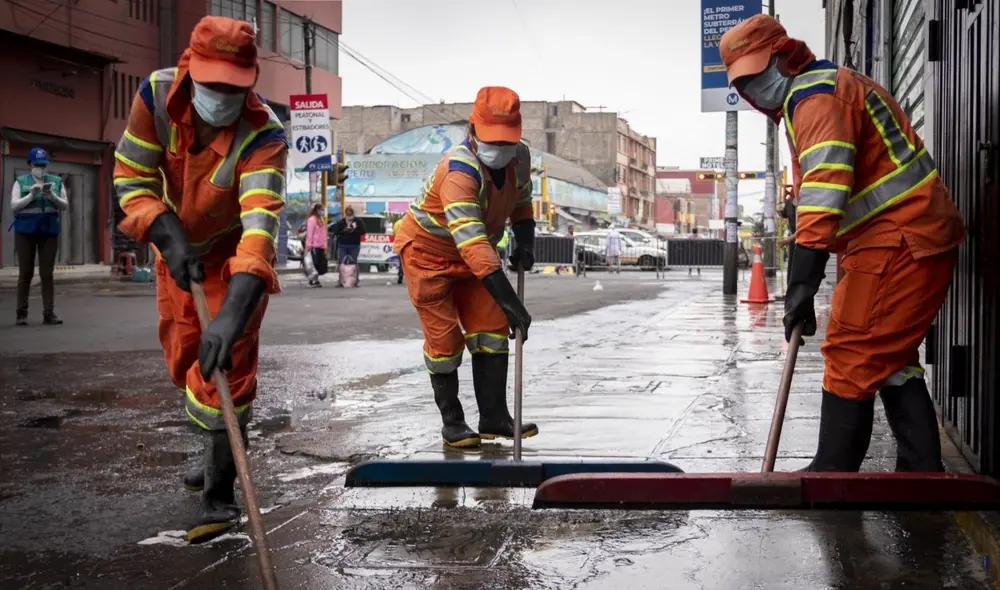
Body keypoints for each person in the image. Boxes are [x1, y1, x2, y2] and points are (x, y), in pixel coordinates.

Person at [721, 15, 965, 472]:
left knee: (853, 350)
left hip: (901, 238)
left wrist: (802, 284)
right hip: (898, 238)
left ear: (785, 55)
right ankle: (920, 475)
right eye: (744, 83)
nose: (754, 88)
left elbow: (824, 197)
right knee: (890, 357)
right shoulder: (814, 94)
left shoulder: (818, 98)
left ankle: (833, 473)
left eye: (757, 73)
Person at [113, 16, 287, 542]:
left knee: (226, 364)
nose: (223, 97)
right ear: (191, 68)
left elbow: (259, 231)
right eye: (213, 84)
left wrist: (233, 314)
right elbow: (132, 176)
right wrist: (165, 231)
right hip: (178, 251)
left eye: (236, 87)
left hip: (233, 262)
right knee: (187, 355)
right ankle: (214, 454)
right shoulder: (155, 96)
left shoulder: (265, 135)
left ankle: (220, 492)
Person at [393, 86, 538, 448]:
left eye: (506, 140)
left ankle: (494, 417)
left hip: (476, 257)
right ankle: (453, 423)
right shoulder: (458, 170)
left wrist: (526, 242)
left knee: (492, 330)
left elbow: (522, 203)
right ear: (472, 131)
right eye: (492, 139)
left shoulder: (520, 158)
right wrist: (512, 302)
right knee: (445, 342)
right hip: (428, 255)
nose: (499, 148)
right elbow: (472, 243)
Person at [11, 147, 67, 326]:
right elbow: (14, 205)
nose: (40, 169)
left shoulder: (56, 181)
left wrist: (52, 196)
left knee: (47, 274)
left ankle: (48, 313)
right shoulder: (20, 182)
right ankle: (21, 314)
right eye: (37, 165)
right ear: (30, 164)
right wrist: (30, 195)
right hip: (25, 232)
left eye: (43, 165)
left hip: (48, 231)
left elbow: (64, 205)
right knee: (25, 273)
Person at [332, 206, 365, 287]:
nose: (348, 214)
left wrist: (353, 231)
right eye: (347, 213)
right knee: (341, 263)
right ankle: (341, 281)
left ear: (353, 213)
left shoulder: (358, 221)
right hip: (343, 244)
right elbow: (336, 231)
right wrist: (344, 231)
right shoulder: (341, 221)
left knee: (354, 262)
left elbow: (363, 231)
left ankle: (355, 280)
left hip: (354, 244)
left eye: (350, 213)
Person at [303, 203, 328, 287]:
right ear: (317, 210)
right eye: (321, 210)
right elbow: (310, 233)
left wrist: (325, 245)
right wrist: (309, 246)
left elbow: (324, 234)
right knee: (313, 264)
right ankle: (311, 280)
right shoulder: (312, 219)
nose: (323, 211)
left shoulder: (321, 219)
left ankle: (316, 280)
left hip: (320, 245)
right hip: (314, 245)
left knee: (319, 264)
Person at [777, 195, 797, 284]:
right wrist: (779, 206)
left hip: (806, 241)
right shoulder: (789, 203)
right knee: (792, 266)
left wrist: (788, 240)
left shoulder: (807, 200)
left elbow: (805, 227)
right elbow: (781, 213)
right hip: (794, 240)